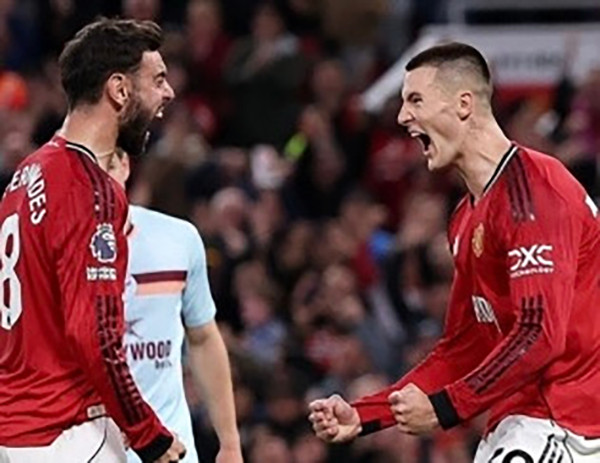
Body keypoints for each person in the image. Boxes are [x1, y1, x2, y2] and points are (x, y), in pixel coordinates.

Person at [308, 42, 600, 462]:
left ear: (464, 104)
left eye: (416, 100)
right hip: (525, 421)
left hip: (572, 425)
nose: (402, 116)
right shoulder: (465, 218)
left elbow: (538, 334)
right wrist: (365, 414)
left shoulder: (532, 194)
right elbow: (464, 348)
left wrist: (446, 407)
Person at [0, 18, 185, 463]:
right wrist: (149, 434)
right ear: (119, 90)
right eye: (158, 79)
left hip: (19, 432)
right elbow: (95, 336)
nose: (168, 93)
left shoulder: (29, 173)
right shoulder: (90, 190)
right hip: (68, 431)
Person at [107, 149, 244, 463]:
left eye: (109, 165)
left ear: (125, 166)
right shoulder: (48, 247)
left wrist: (229, 443)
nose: (100, 179)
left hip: (173, 448)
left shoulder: (178, 239)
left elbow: (203, 337)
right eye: (90, 169)